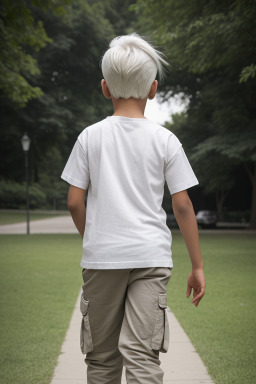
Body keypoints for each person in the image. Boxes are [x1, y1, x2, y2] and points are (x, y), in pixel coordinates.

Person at [61, 33, 205, 384]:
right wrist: (197, 265)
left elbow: (74, 201)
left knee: (102, 359)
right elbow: (183, 205)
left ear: (104, 88)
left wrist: (93, 236)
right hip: (150, 258)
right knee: (142, 356)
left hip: (102, 259)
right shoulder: (166, 140)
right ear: (153, 89)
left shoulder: (89, 137)